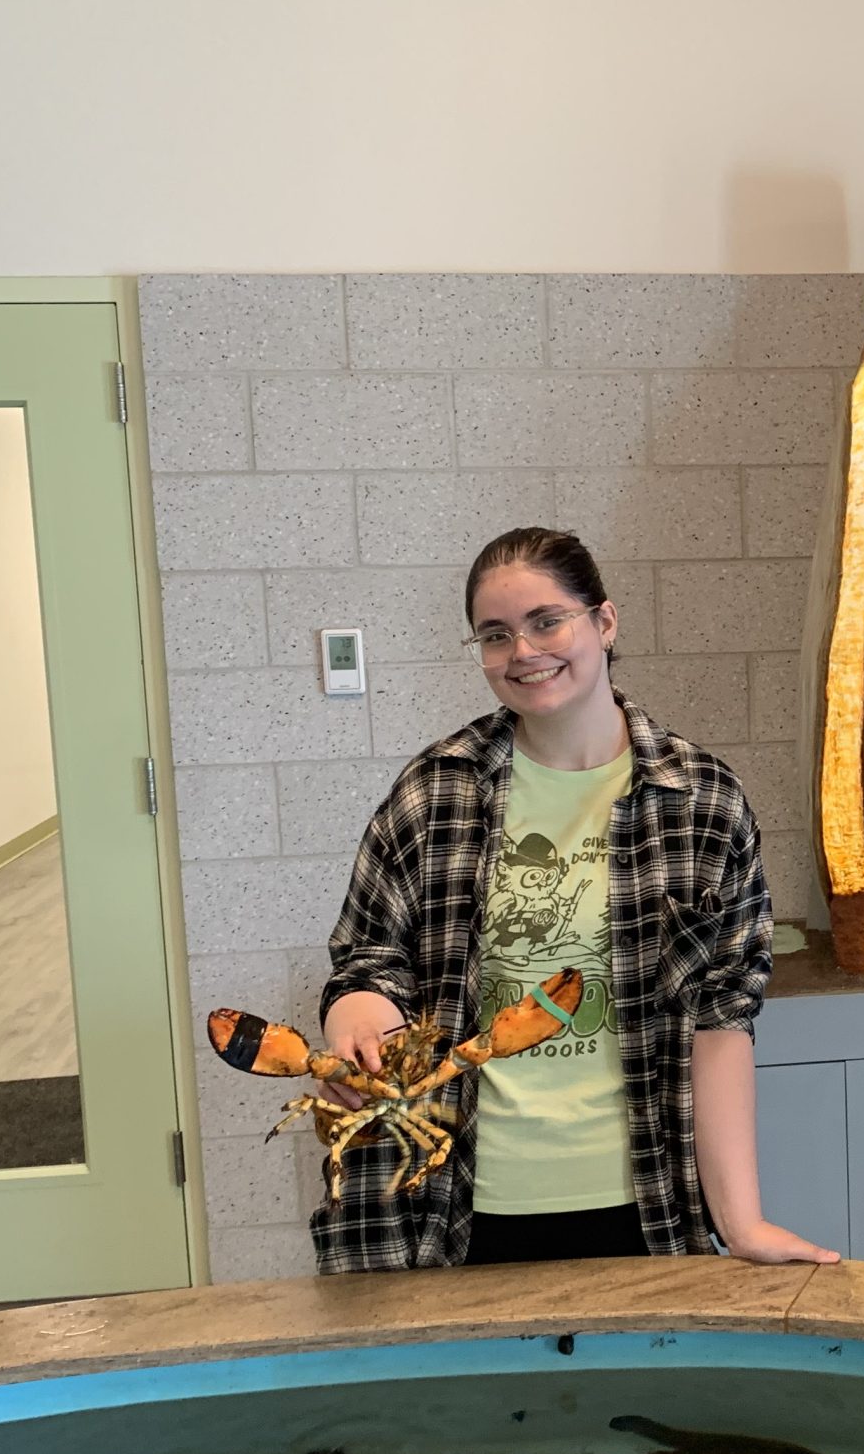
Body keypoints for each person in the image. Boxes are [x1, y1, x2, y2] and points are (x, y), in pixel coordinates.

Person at [315, 526, 837, 1273]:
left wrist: (742, 1222)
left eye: (546, 621)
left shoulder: (701, 801)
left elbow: (722, 1021)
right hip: (451, 1212)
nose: (523, 651)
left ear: (605, 621)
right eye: (495, 635)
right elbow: (368, 958)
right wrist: (357, 1011)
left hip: (641, 1203)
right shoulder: (434, 791)